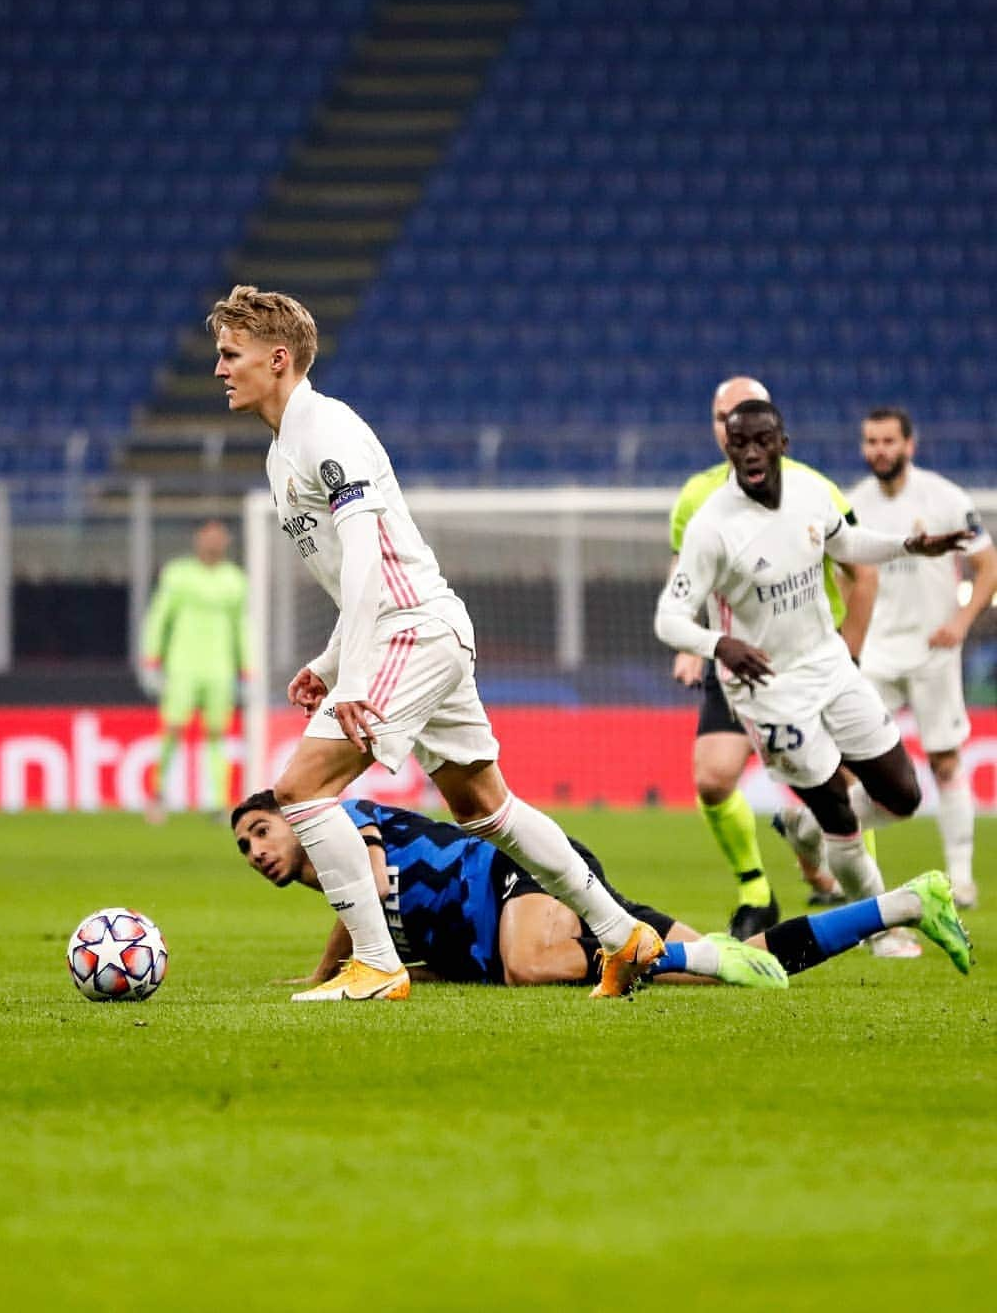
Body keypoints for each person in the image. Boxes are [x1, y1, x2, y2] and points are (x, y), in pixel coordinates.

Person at [208, 284, 662, 1002]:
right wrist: (330, 663)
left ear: (279, 358)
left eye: (232, 354)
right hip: (421, 627)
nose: (220, 369)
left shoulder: (328, 431)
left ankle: (378, 964)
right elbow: (360, 569)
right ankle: (622, 933)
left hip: (409, 631)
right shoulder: (279, 455)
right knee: (486, 808)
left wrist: (354, 676)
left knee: (300, 791)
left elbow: (366, 558)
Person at [654, 398, 973, 955]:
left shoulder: (809, 493)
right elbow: (668, 619)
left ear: (783, 442)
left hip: (828, 663)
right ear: (727, 448)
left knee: (904, 795)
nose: (751, 452)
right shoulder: (713, 528)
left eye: (761, 440)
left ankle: (802, 827)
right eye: (739, 443)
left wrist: (909, 547)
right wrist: (720, 644)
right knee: (842, 821)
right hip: (770, 691)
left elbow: (847, 545)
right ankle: (882, 932)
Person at [230, 790, 971, 987]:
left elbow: (359, 861)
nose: (256, 849)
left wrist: (351, 964)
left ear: (292, 819)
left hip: (511, 877)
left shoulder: (332, 818)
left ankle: (647, 958)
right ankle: (906, 903)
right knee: (741, 962)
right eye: (244, 846)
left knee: (527, 965)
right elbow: (354, 911)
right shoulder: (346, 898)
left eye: (262, 829)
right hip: (521, 920)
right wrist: (331, 969)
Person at [668, 376, 878, 938]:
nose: (730, 426)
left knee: (842, 780)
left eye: (741, 414)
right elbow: (685, 575)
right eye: (720, 417)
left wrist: (850, 652)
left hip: (813, 657)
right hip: (740, 663)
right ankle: (756, 894)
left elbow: (861, 569)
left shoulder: (814, 488)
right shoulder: (697, 498)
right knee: (712, 778)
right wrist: (692, 644)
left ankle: (872, 912)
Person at [777, 408, 997, 909]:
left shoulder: (945, 498)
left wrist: (961, 624)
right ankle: (842, 868)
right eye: (871, 441)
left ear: (909, 445)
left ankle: (960, 879)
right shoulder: (851, 504)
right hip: (874, 654)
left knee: (945, 761)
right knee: (851, 769)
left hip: (933, 651)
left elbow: (989, 565)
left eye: (888, 441)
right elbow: (840, 575)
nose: (879, 449)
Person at [141, 519, 250, 822]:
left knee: (217, 734)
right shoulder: (178, 575)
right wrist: (152, 658)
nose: (214, 543)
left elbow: (242, 626)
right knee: (173, 729)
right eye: (208, 537)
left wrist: (247, 668)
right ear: (198, 540)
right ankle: (157, 794)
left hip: (220, 668)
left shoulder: (235, 580)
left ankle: (219, 802)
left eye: (219, 537)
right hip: (182, 666)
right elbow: (159, 617)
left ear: (226, 542)